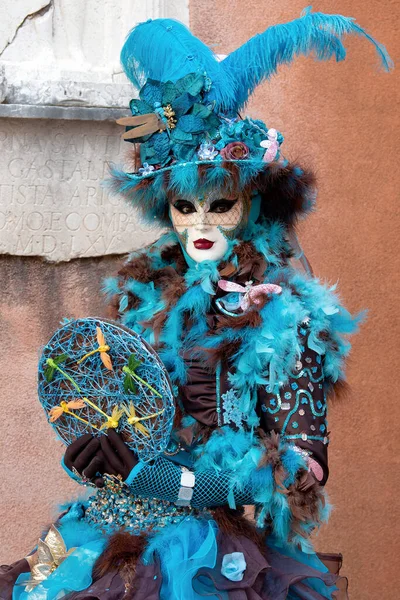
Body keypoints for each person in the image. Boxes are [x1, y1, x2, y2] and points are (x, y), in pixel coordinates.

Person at [0, 9, 392, 600]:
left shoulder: (286, 315)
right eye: (186, 206)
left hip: (215, 552)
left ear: (253, 204)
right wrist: (100, 458)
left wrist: (173, 484)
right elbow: (120, 411)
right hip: (119, 532)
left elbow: (299, 472)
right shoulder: (145, 295)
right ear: (167, 208)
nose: (202, 224)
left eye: (221, 203)